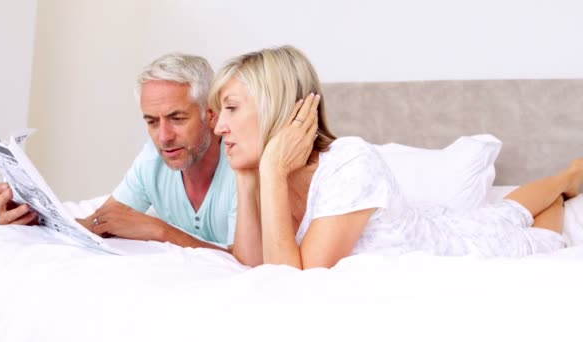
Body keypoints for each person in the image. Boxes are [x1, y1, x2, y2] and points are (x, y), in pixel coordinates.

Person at [209, 45, 582, 269]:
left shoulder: (349, 162)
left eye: (230, 109)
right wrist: (246, 176)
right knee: (500, 213)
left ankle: (568, 178)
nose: (218, 128)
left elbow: (290, 278)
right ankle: (565, 180)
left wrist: (270, 172)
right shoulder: (272, 175)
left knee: (529, 232)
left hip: (463, 248)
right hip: (439, 223)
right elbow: (253, 264)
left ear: (275, 107)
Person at [0, 52, 236, 250]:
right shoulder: (153, 158)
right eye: (151, 122)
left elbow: (252, 259)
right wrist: (34, 218)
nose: (163, 137)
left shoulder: (241, 164)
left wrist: (160, 231)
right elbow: (103, 221)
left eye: (177, 118)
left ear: (211, 115)